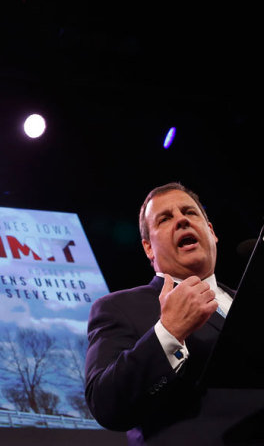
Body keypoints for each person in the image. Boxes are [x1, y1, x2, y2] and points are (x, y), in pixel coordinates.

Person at [85, 182, 234, 444]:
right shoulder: (118, 308)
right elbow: (105, 404)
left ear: (211, 232)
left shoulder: (251, 299)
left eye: (190, 212)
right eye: (165, 219)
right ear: (148, 248)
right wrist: (169, 332)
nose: (181, 221)